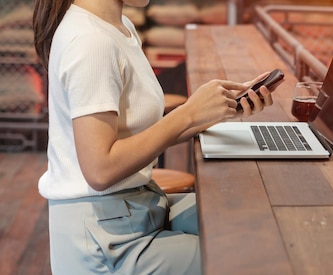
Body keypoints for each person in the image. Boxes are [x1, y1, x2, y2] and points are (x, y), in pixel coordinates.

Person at [33, 0, 276, 273]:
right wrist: (188, 114)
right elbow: (99, 170)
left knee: (255, 219)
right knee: (255, 254)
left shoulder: (119, 26)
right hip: (108, 240)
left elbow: (141, 134)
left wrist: (217, 111)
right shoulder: (91, 42)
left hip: (135, 208)